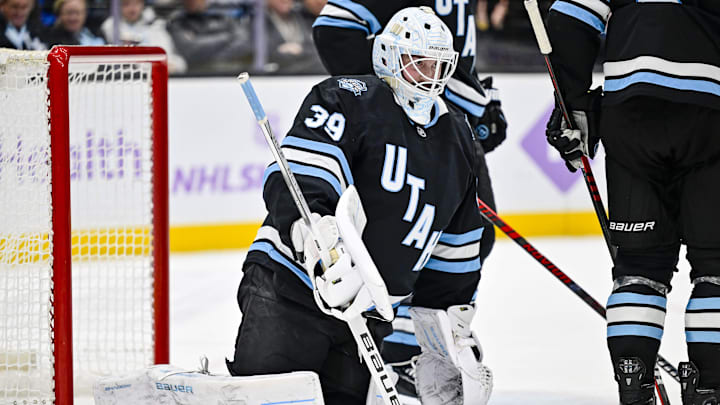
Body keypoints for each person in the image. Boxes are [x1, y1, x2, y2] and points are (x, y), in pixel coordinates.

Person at [227, 6, 492, 405]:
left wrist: (444, 340)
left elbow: (454, 251)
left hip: (369, 317)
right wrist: (315, 240)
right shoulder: (347, 97)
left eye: (437, 65)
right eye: (416, 62)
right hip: (290, 289)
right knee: (272, 399)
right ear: (388, 56)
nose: (428, 75)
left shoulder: (458, 139)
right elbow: (301, 176)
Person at [312, 0, 506, 396]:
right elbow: (333, 29)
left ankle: (425, 344)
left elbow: (456, 57)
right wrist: (385, 91)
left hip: (450, 128)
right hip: (403, 120)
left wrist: (482, 97)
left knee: (468, 236)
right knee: (398, 230)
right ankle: (400, 348)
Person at [542, 0, 720, 403]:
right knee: (715, 269)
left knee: (639, 269)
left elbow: (569, 19)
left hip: (630, 115)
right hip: (710, 112)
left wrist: (572, 104)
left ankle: (633, 385)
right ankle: (710, 386)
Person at [100, 0, 187, 74]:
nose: (132, 9)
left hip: (158, 79)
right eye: (126, 4)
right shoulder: (110, 27)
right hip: (127, 82)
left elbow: (178, 62)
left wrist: (173, 66)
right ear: (118, 6)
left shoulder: (156, 26)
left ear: (143, 4)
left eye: (136, 3)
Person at [166, 0, 252, 73]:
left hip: (232, 74)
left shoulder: (225, 18)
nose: (193, 1)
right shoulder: (178, 23)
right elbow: (190, 51)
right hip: (196, 76)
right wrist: (227, 37)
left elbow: (244, 45)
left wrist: (209, 56)